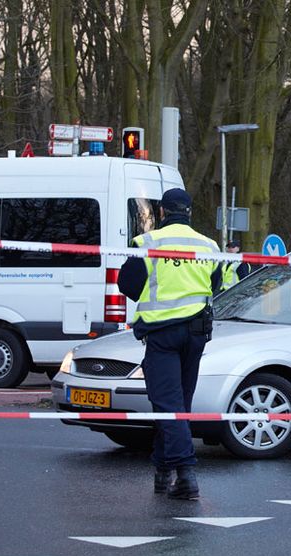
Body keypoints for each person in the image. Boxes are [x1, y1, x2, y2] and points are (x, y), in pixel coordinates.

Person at [118, 188, 221, 500]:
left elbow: (128, 283)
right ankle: (163, 470)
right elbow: (214, 285)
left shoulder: (148, 242)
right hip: (196, 334)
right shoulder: (209, 245)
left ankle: (186, 472)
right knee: (177, 405)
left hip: (163, 335)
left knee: (166, 405)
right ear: (188, 212)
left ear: (162, 212)